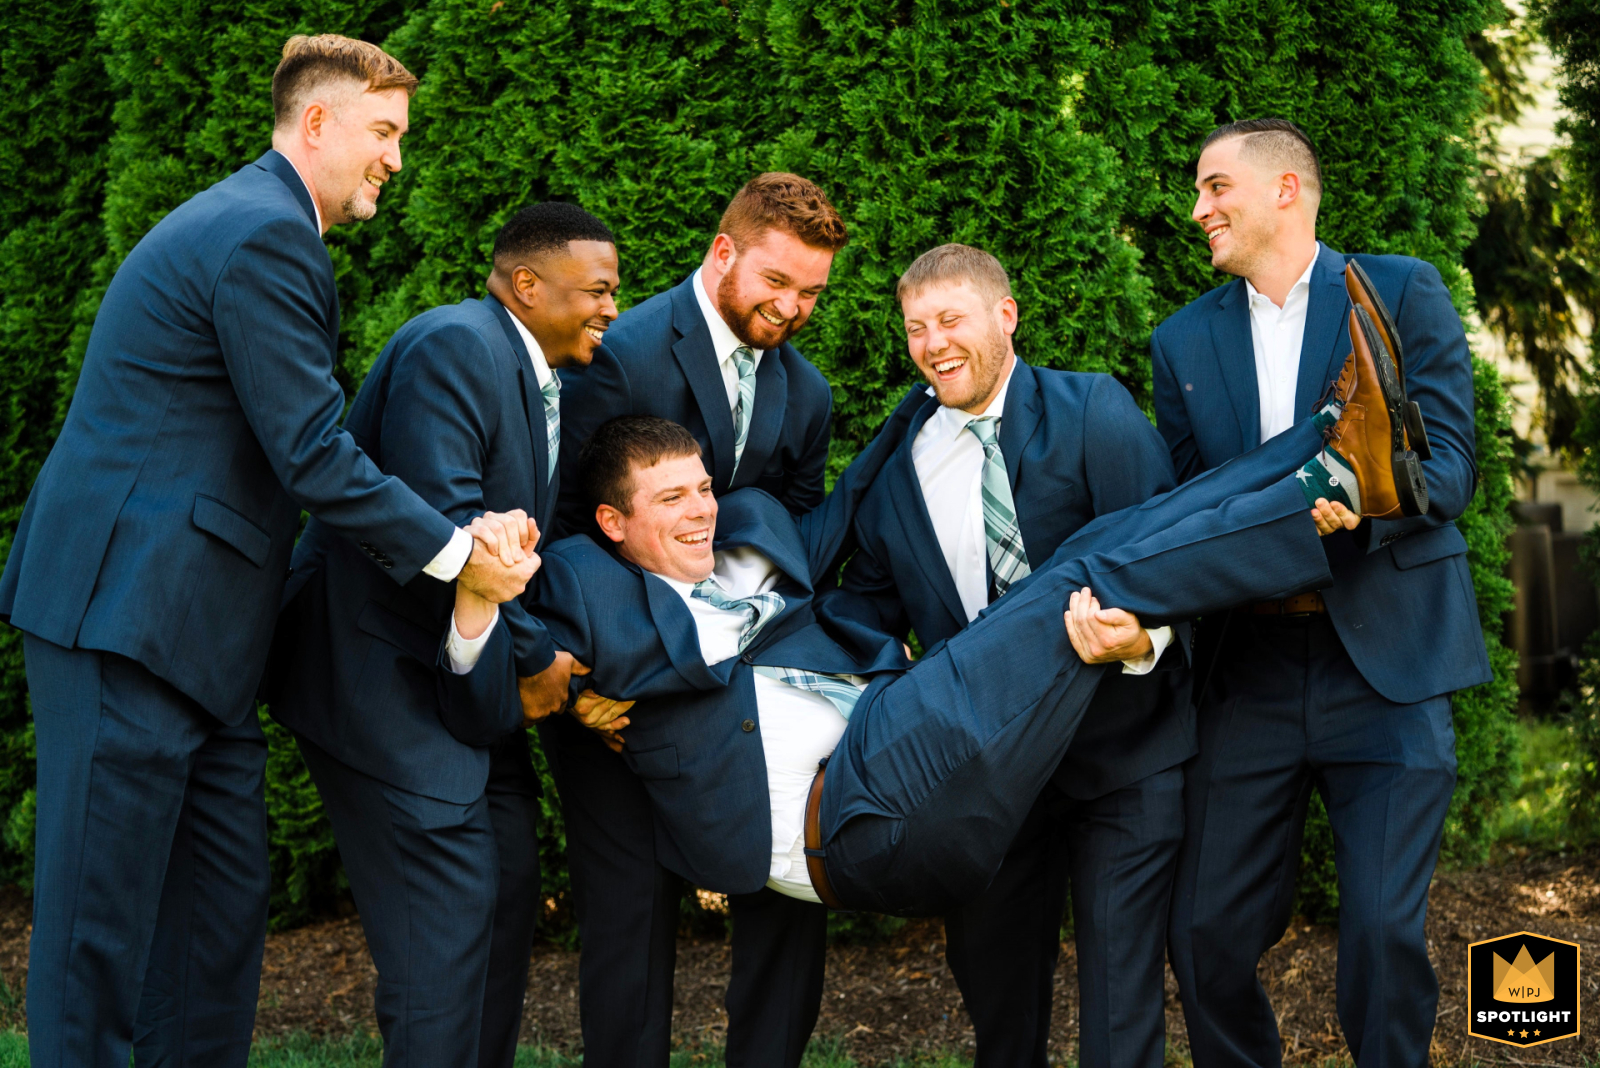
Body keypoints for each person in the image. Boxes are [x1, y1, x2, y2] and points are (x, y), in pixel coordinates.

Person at [501, 295, 1408, 953]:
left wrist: (912, 411)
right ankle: (1322, 484)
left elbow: (848, 501)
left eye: (703, 487)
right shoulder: (589, 575)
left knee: (1091, 546)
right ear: (615, 525)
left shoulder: (750, 546)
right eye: (672, 499)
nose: (702, 510)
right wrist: (569, 685)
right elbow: (527, 645)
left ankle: (1325, 443)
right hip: (850, 809)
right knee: (1081, 575)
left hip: (886, 750)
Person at [0, 35, 535, 1068]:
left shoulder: (260, 226)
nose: (395, 158)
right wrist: (457, 551)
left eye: (402, 137)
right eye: (382, 133)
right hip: (128, 616)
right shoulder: (263, 234)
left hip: (196, 639)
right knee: (98, 934)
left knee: (217, 912)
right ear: (317, 124)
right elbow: (312, 455)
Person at [1152, 118, 1490, 1068]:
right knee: (1206, 937)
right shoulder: (1179, 342)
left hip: (1384, 663)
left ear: (1286, 190)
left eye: (1216, 187)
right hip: (1246, 671)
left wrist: (1361, 501)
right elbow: (1183, 509)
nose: (1198, 209)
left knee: (1382, 936)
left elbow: (1453, 468)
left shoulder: (1398, 290)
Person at [268, 202, 624, 1067]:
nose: (613, 308)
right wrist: (540, 661)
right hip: (377, 676)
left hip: (460, 678)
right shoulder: (458, 344)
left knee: (505, 886)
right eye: (600, 290)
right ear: (527, 285)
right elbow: (450, 527)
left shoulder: (535, 374)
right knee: (447, 917)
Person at [820, 243, 1192, 1068]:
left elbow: (1174, 557)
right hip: (981, 779)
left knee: (1119, 1005)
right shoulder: (896, 472)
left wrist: (1147, 637)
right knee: (996, 1005)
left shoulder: (1093, 412)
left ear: (1006, 315)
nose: (933, 343)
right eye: (916, 327)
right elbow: (868, 610)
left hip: (1120, 753)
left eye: (951, 319)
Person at [540, 173, 848, 1067]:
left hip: (739, 698)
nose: (791, 308)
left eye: (811, 293)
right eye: (776, 283)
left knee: (789, 895)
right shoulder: (620, 355)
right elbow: (564, 525)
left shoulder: (810, 395)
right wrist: (582, 685)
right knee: (630, 919)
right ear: (724, 252)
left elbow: (783, 556)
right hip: (616, 703)